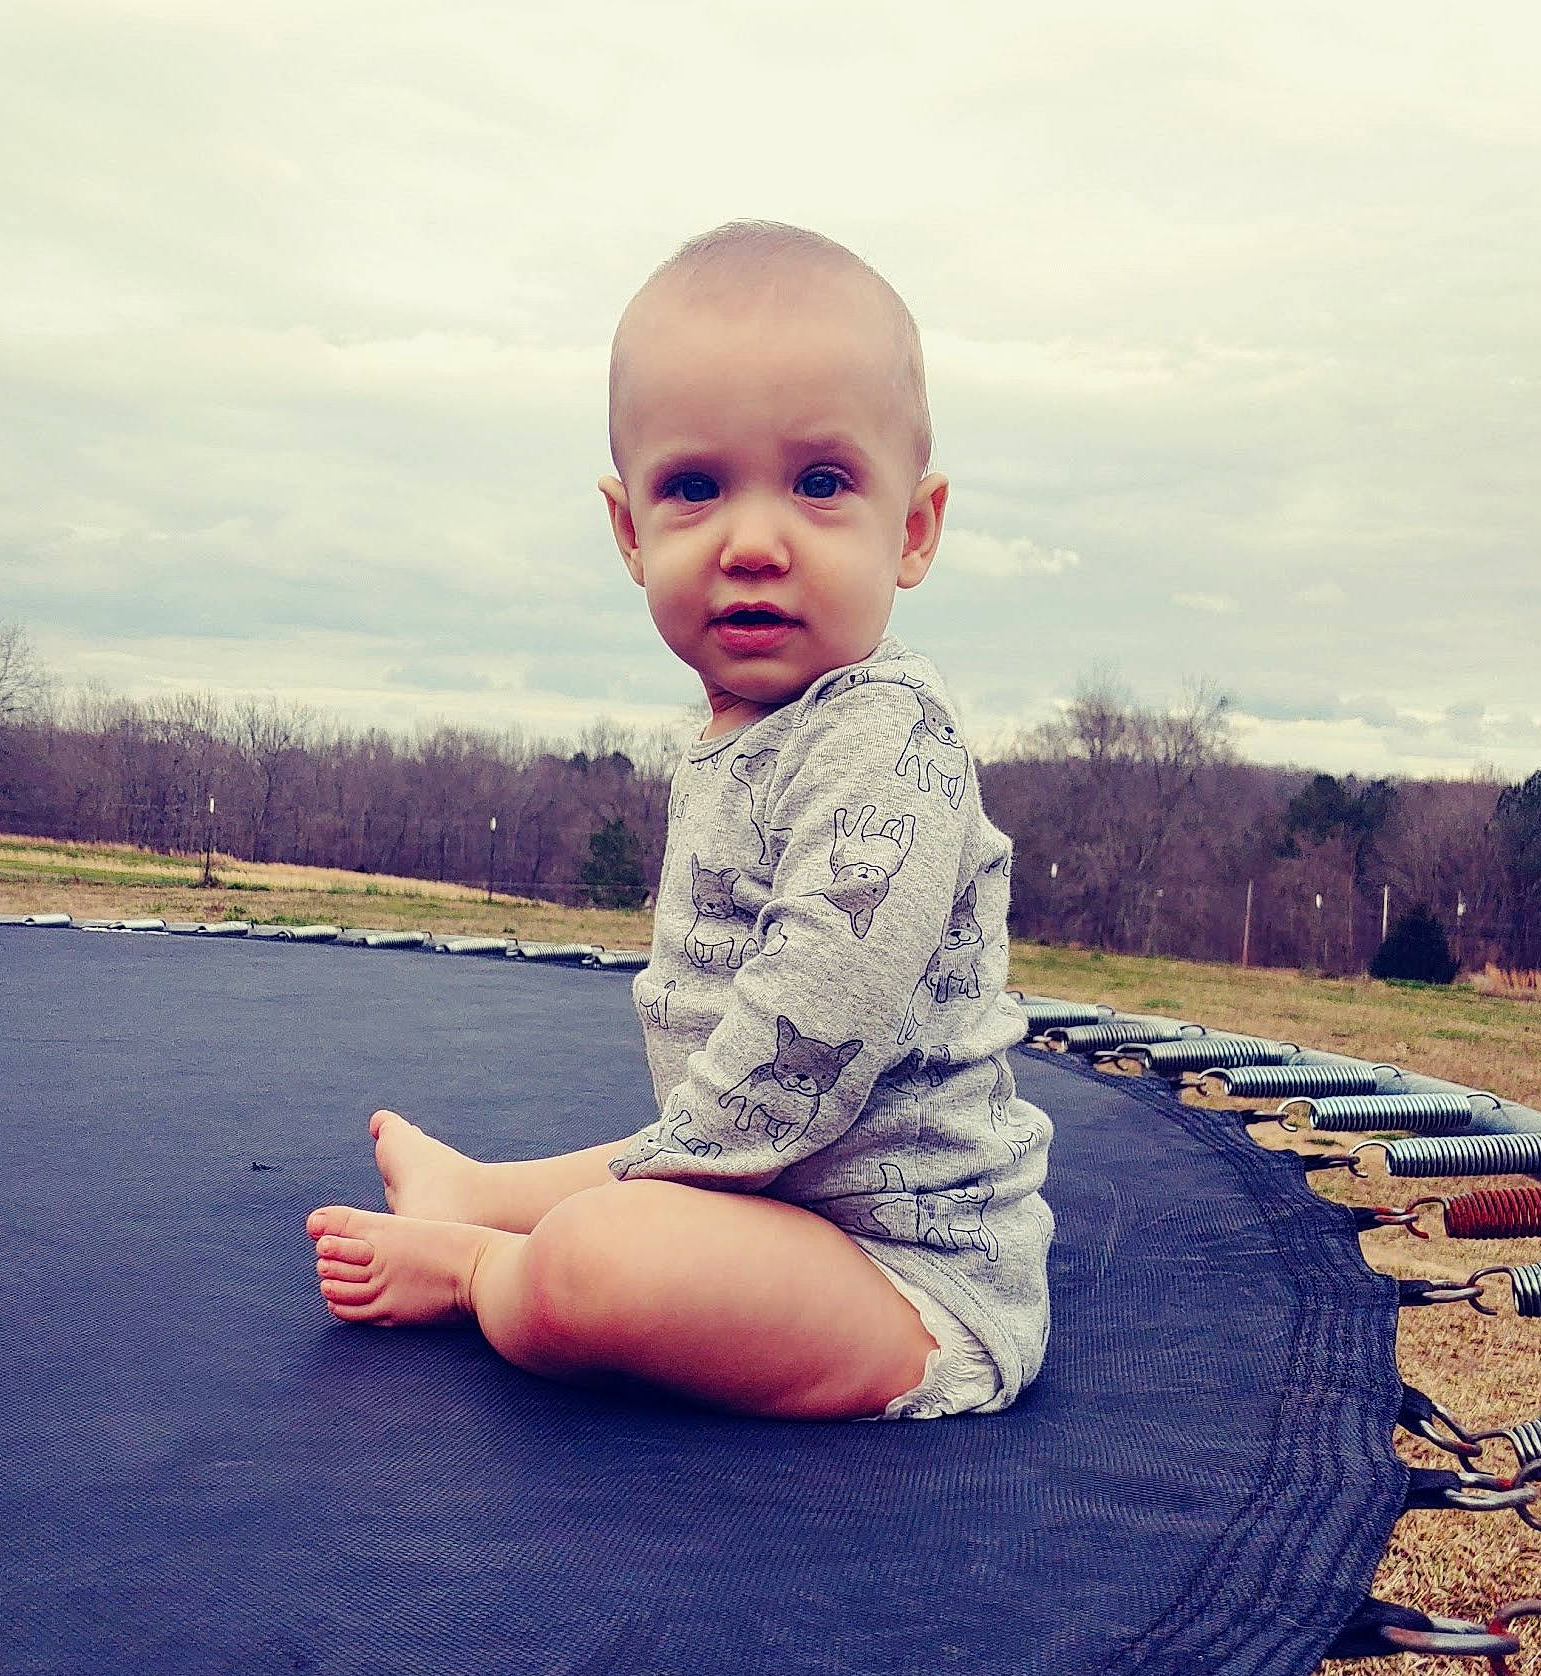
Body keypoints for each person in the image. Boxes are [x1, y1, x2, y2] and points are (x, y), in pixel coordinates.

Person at [308, 221, 1054, 1421]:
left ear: (912, 528)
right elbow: (725, 1111)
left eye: (820, 484)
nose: (753, 542)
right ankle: (484, 1191)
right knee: (632, 1207)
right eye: (695, 488)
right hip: (766, 1196)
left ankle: (483, 1263)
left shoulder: (886, 740)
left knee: (602, 1260)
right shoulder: (738, 732)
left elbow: (796, 1052)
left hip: (909, 1281)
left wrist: (603, 1213)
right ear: (629, 531)